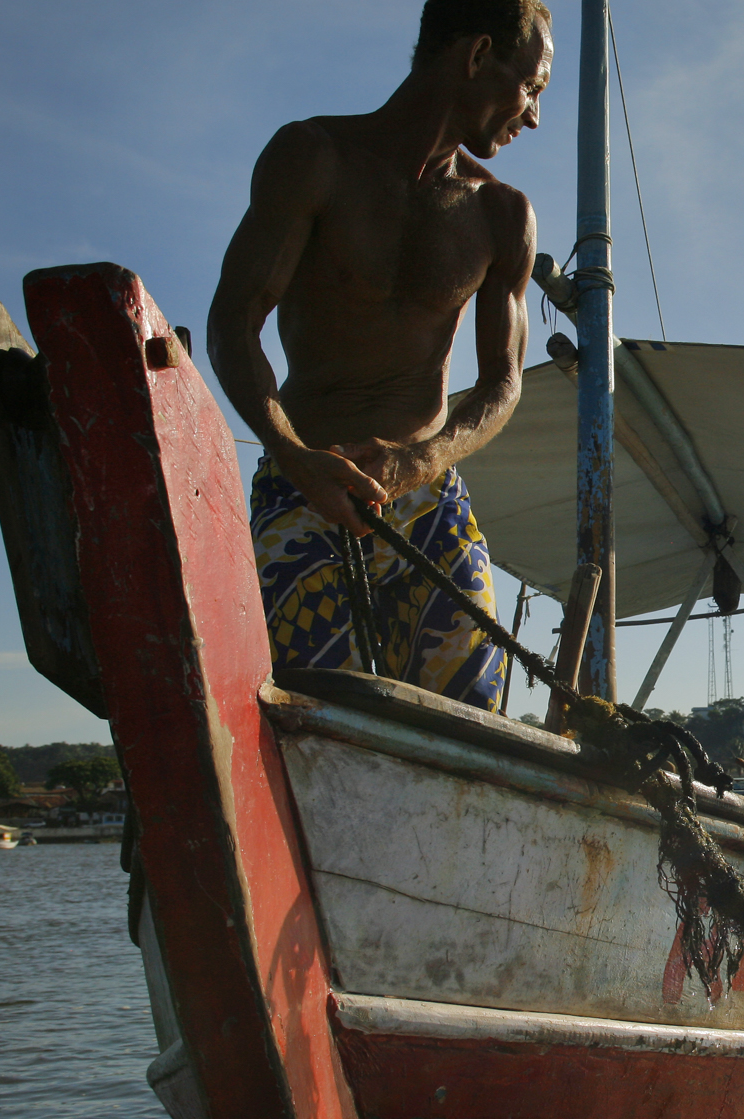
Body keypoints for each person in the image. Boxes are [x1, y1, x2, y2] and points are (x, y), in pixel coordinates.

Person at [207, 0, 552, 709]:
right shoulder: (312, 158)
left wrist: (420, 460)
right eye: (532, 88)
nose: (534, 116)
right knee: (313, 715)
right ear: (478, 54)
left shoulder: (502, 216)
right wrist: (293, 453)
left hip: (429, 503)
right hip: (305, 487)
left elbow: (502, 383)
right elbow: (233, 323)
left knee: (470, 726)